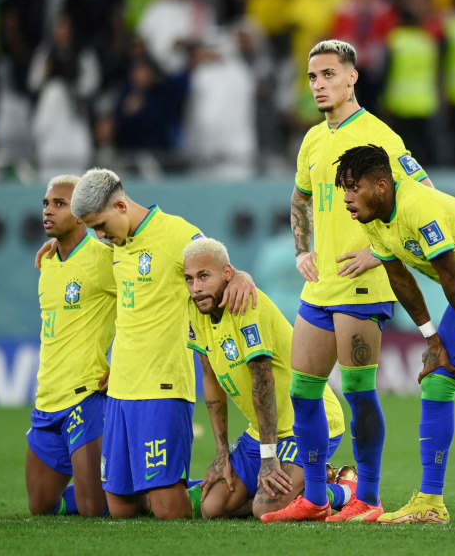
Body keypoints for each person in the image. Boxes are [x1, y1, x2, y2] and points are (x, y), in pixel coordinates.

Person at [264, 39, 432, 524]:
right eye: (313, 77)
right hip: (320, 288)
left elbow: (424, 196)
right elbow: (299, 199)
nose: (319, 85)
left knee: (358, 393)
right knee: (303, 393)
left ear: (352, 77)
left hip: (363, 287)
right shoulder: (314, 139)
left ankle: (370, 496)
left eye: (329, 75)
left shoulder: (379, 136)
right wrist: (302, 251)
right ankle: (316, 496)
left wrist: (380, 251)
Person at [334, 145, 455, 527]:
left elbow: (450, 275)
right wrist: (432, 339)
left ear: (381, 186)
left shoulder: (419, 208)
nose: (348, 198)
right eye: (344, 189)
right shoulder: (372, 217)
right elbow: (399, 278)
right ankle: (430, 501)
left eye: (354, 187)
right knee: (436, 381)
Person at [64, 168, 256, 519]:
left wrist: (241, 274)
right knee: (121, 508)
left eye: (101, 225)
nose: (99, 235)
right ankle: (214, 490)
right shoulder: (116, 246)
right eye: (92, 229)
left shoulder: (176, 234)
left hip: (163, 387)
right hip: (121, 389)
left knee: (169, 509)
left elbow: (219, 269)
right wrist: (60, 245)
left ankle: (258, 492)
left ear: (121, 205)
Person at [182, 237, 350, 520]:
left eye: (203, 276)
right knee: (213, 508)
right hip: (259, 432)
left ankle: (340, 489)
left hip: (307, 425)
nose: (196, 287)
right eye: (189, 279)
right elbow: (210, 380)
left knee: (265, 508)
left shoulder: (245, 302)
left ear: (227, 273)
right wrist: (222, 451)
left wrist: (269, 457)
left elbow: (264, 382)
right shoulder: (196, 308)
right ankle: (305, 483)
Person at [27, 174, 114, 517]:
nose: (48, 210)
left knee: (94, 510)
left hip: (85, 396)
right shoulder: (47, 262)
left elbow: (142, 305)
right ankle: (133, 487)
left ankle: (172, 490)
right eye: (46, 203)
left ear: (81, 214)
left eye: (59, 204)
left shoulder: (104, 259)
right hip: (46, 399)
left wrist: (120, 361)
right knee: (41, 507)